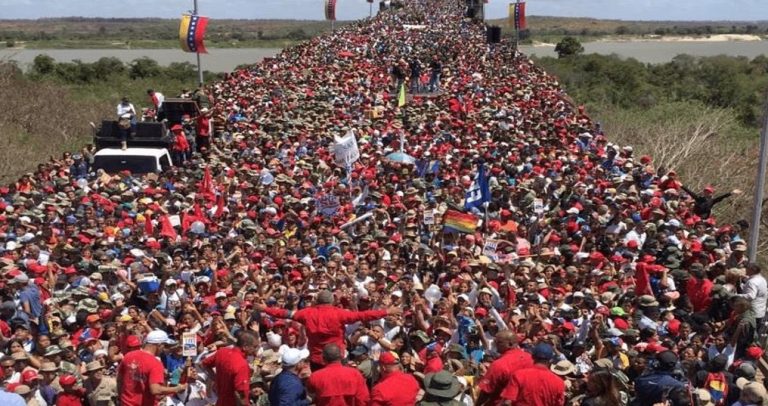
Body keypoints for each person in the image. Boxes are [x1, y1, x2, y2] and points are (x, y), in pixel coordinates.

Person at [260, 290, 401, 370]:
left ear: (317, 301)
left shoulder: (306, 313)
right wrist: (386, 311)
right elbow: (363, 315)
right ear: (332, 301)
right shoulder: (339, 313)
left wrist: (265, 309)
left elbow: (284, 313)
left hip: (316, 359)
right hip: (337, 359)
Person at [117, 330, 186, 406]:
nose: (164, 349)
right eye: (165, 346)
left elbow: (119, 380)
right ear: (159, 345)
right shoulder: (155, 363)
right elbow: (155, 390)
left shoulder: (128, 356)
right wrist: (177, 388)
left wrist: (121, 398)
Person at [200, 330, 259, 406]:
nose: (256, 350)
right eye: (254, 347)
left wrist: (215, 379)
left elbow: (203, 364)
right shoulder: (242, 365)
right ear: (245, 346)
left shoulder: (222, 352)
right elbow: (241, 393)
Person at [476, 331, 534, 405]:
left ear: (510, 344)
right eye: (495, 341)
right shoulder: (530, 358)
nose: (495, 344)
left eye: (499, 342)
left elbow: (486, 391)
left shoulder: (499, 364)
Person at [500, 343, 565, 406]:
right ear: (550, 360)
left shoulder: (519, 375)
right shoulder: (559, 382)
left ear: (532, 357)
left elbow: (507, 402)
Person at [738, 262, 768, 331]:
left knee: (746, 333)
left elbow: (751, 296)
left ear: (752, 270)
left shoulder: (752, 282)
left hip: (751, 313)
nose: (746, 270)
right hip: (760, 312)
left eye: (747, 268)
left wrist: (737, 295)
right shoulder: (762, 279)